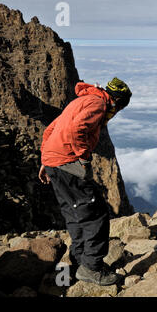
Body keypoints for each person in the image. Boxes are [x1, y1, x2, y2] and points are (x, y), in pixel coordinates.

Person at [38, 77, 132, 286]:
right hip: (67, 163)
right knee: (95, 213)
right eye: (118, 109)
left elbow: (52, 129)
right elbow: (75, 130)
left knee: (74, 212)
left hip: (54, 162)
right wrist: (83, 158)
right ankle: (91, 267)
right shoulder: (99, 104)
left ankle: (80, 260)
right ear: (116, 101)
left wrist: (46, 160)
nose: (114, 114)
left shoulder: (81, 100)